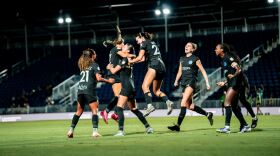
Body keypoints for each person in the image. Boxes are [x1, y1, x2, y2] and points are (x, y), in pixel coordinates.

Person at [107, 43, 154, 136]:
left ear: (127, 50)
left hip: (126, 86)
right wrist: (134, 54)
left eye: (124, 47)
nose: (122, 47)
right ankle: (148, 127)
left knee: (119, 108)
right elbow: (142, 58)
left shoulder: (124, 59)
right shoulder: (131, 59)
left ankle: (121, 131)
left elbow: (113, 71)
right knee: (134, 109)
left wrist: (109, 67)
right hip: (132, 86)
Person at [67, 48, 113, 138]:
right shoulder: (94, 64)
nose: (96, 54)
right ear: (92, 55)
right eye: (94, 53)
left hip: (80, 90)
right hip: (89, 90)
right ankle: (95, 132)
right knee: (94, 111)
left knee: (78, 111)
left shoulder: (83, 66)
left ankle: (70, 130)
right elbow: (99, 78)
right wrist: (109, 81)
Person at [167, 42, 213, 132]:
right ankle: (208, 114)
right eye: (185, 46)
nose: (186, 47)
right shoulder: (182, 59)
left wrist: (207, 83)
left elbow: (203, 71)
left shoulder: (195, 59)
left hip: (191, 83)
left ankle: (178, 125)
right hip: (183, 83)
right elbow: (180, 71)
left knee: (183, 102)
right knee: (190, 106)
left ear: (193, 49)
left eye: (188, 46)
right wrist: (176, 81)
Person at [129, 32, 173, 117]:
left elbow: (139, 57)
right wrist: (133, 62)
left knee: (144, 86)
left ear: (141, 37)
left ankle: (150, 106)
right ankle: (168, 101)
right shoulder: (152, 43)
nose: (137, 41)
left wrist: (128, 62)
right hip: (162, 66)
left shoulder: (144, 43)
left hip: (154, 64)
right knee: (156, 91)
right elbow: (143, 59)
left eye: (137, 39)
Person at [215, 43, 251, 134]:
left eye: (216, 48)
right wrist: (224, 82)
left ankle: (227, 127)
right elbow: (229, 75)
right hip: (231, 83)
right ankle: (245, 125)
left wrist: (233, 76)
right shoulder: (223, 61)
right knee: (234, 107)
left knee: (226, 102)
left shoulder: (229, 57)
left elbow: (238, 69)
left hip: (236, 83)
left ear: (222, 50)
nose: (215, 50)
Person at [100, 26, 123, 124]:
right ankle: (107, 111)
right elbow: (118, 41)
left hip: (114, 73)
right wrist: (119, 33)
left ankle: (113, 113)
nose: (124, 44)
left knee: (120, 96)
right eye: (123, 43)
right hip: (114, 74)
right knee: (119, 96)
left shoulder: (114, 50)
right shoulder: (117, 50)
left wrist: (108, 41)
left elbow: (116, 42)